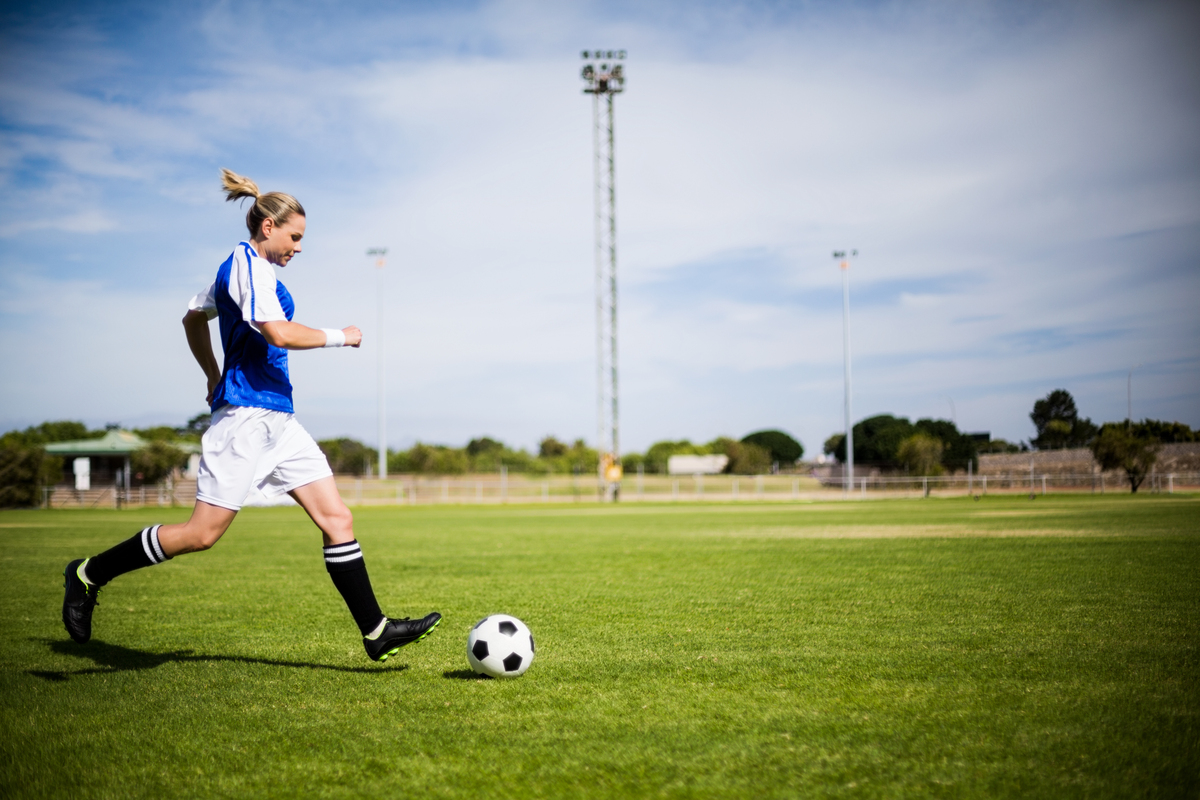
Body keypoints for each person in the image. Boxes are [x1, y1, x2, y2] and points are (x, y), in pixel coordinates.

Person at [62, 169, 441, 662]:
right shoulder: (247, 267)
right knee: (202, 534)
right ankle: (88, 573)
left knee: (337, 517)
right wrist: (340, 335)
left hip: (279, 418)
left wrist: (209, 373)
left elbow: (194, 316)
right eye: (295, 237)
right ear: (268, 227)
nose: (299, 248)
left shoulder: (248, 271)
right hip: (245, 417)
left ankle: (376, 631)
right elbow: (277, 333)